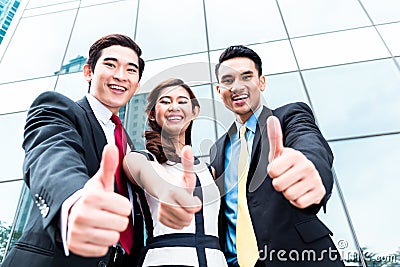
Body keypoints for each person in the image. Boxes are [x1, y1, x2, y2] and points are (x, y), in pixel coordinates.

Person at [2, 34, 146, 267]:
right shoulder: (60, 110)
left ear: (137, 84)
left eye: (131, 70)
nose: (120, 76)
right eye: (110, 65)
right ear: (88, 72)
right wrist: (75, 199)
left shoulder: (130, 147)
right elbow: (52, 154)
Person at [209, 45, 345, 266]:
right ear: (218, 90)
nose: (237, 86)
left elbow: (309, 144)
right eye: (227, 80)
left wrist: (310, 169)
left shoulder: (289, 117)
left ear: (261, 82)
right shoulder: (218, 149)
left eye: (247, 76)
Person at [123, 78, 228, 267]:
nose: (174, 106)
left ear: (195, 111)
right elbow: (150, 178)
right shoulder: (140, 159)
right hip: (165, 259)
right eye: (165, 101)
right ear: (152, 114)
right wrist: (168, 193)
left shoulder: (208, 170)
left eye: (182, 101)